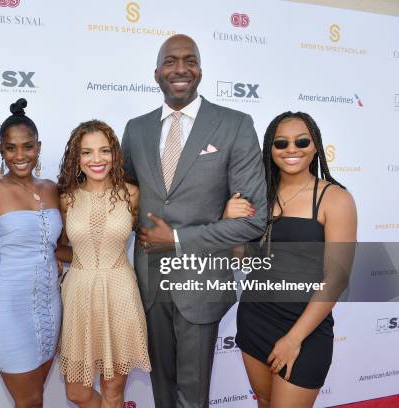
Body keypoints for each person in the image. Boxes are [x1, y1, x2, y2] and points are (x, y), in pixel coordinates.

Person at [121, 34, 268, 407]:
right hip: (149, 283)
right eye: (170, 61)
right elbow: (124, 198)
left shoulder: (234, 124)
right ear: (156, 73)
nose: (180, 68)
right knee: (162, 393)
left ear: (200, 70)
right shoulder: (135, 130)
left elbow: (254, 220)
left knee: (193, 395)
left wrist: (179, 239)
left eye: (190, 60)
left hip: (201, 281)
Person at [228, 112, 357, 408]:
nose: (291, 149)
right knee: (263, 401)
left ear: (315, 147)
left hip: (306, 327)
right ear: (270, 149)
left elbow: (336, 279)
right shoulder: (258, 197)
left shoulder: (335, 199)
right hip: (255, 318)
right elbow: (241, 262)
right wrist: (229, 224)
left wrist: (293, 339)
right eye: (281, 143)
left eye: (301, 141)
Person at [56, 119, 151, 408]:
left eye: (104, 151)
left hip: (120, 293)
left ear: (115, 155)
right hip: (79, 295)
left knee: (113, 391)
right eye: (87, 152)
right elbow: (59, 246)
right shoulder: (66, 199)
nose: (96, 159)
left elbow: (151, 237)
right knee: (76, 392)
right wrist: (84, 261)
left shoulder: (131, 194)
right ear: (77, 158)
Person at [0, 98, 62, 408]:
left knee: (37, 398)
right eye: (11, 148)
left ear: (39, 147)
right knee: (27, 401)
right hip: (8, 308)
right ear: (1, 149)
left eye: (27, 146)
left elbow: (59, 245)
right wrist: (6, 251)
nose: (20, 155)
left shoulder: (52, 189)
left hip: (50, 304)